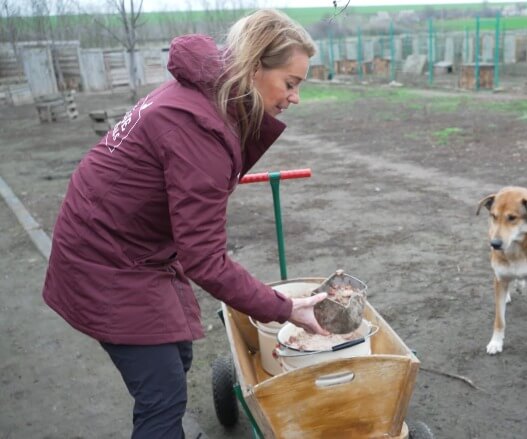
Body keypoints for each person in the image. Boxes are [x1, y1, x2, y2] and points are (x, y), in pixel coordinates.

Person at [41, 9, 328, 439]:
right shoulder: (199, 128)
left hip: (124, 244)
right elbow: (205, 261)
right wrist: (286, 308)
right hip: (106, 260)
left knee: (177, 355)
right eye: (290, 83)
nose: (295, 97)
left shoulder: (198, 95)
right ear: (254, 67)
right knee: (162, 395)